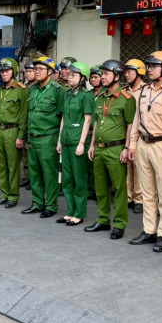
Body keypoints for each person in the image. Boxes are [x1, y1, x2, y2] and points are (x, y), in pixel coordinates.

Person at [127, 51, 162, 252]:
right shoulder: (144, 91)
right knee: (147, 192)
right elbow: (137, 120)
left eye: (154, 66)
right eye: (148, 66)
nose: (149, 69)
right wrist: (132, 144)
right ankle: (149, 230)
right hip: (143, 144)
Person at [85, 60, 135, 239]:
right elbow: (96, 122)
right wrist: (91, 145)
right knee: (100, 187)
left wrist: (127, 147)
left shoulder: (127, 99)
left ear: (117, 76)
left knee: (119, 188)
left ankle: (120, 224)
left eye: (106, 74)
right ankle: (103, 219)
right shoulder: (100, 97)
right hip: (99, 148)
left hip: (116, 148)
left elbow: (131, 125)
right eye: (102, 73)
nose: (103, 77)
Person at [22, 57, 65, 218]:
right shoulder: (32, 89)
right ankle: (37, 202)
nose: (37, 71)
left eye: (41, 69)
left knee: (49, 174)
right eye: (36, 69)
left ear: (50, 72)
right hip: (32, 137)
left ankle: (51, 205)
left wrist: (59, 140)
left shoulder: (58, 90)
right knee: (34, 173)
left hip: (48, 138)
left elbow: (63, 116)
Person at [56, 62, 95, 226]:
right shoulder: (67, 94)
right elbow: (63, 118)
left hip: (77, 140)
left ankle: (79, 213)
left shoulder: (86, 95)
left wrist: (82, 143)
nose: (69, 77)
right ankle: (70, 211)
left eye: (73, 75)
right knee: (67, 179)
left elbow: (88, 120)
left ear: (82, 78)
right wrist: (59, 140)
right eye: (69, 74)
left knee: (79, 179)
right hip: (66, 139)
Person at [0, 58, 28, 208]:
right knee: (1, 164)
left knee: (13, 166)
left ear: (14, 71)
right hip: (0, 130)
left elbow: (23, 115)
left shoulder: (21, 89)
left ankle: (13, 196)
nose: (4, 74)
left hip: (13, 131)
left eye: (7, 70)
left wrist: (21, 136)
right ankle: (4, 194)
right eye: (2, 71)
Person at [124, 59, 146, 213]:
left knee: (138, 166)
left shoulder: (146, 90)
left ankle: (139, 199)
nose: (126, 75)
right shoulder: (124, 90)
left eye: (130, 72)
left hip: (139, 133)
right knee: (127, 166)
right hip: (126, 132)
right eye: (125, 72)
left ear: (139, 73)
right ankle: (127, 196)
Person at [87, 65, 103, 200]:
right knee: (89, 164)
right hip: (88, 133)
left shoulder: (105, 94)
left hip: (99, 134)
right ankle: (90, 190)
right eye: (91, 77)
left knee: (99, 166)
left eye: (96, 77)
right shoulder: (89, 94)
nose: (93, 80)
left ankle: (100, 192)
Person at [20, 62, 36, 189]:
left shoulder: (37, 87)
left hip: (34, 124)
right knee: (24, 153)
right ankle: (27, 176)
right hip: (24, 123)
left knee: (33, 154)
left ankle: (34, 178)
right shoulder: (24, 87)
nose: (27, 74)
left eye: (30, 71)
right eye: (27, 71)